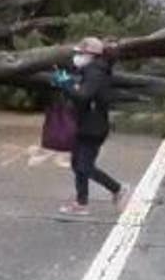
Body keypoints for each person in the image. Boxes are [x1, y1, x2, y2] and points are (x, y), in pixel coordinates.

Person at [53, 37, 129, 216]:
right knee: (77, 163)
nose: (77, 56)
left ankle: (117, 189)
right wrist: (67, 82)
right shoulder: (91, 69)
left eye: (80, 53)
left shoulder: (96, 71)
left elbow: (84, 96)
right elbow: (82, 92)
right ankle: (81, 203)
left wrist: (65, 84)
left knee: (85, 166)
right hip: (86, 124)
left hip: (93, 127)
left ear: (91, 55)